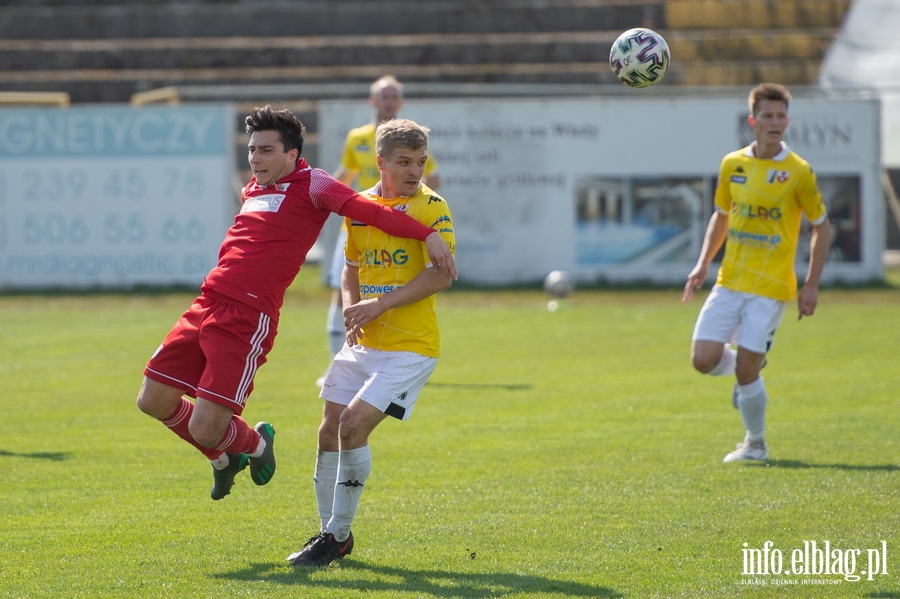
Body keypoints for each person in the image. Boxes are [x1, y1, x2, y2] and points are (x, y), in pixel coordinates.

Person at [136, 106, 456, 501]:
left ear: (292, 154)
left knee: (206, 427)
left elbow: (369, 211)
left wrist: (427, 235)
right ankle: (224, 459)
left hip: (246, 315)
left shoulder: (315, 184)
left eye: (266, 150)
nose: (255, 158)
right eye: (252, 150)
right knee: (151, 400)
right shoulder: (254, 189)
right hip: (206, 302)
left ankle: (254, 444)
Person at [287, 119, 454, 566]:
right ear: (379, 162)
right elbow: (351, 268)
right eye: (403, 162)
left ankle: (337, 535)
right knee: (327, 429)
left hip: (411, 347)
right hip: (363, 342)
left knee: (352, 426)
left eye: (420, 162)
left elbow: (443, 274)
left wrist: (378, 305)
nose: (414, 171)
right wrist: (351, 307)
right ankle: (328, 534)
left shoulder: (432, 208)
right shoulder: (360, 208)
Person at [682, 83, 832, 463]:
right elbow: (721, 215)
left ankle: (756, 444)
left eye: (781, 116)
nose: (775, 122)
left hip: (771, 287)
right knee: (702, 359)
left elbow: (822, 226)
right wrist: (702, 264)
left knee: (746, 371)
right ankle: (751, 365)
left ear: (787, 121)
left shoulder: (798, 172)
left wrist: (811, 284)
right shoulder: (733, 164)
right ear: (753, 121)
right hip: (730, 280)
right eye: (767, 115)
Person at [319, 75, 441, 383]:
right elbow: (344, 177)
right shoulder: (357, 138)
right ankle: (339, 361)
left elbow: (433, 177)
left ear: (400, 103)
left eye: (393, 97)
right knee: (343, 287)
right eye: (383, 96)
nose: (388, 102)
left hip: (398, 226)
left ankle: (391, 357)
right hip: (360, 224)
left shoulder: (411, 141)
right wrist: (329, 204)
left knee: (395, 284)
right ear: (373, 101)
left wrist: (413, 205)